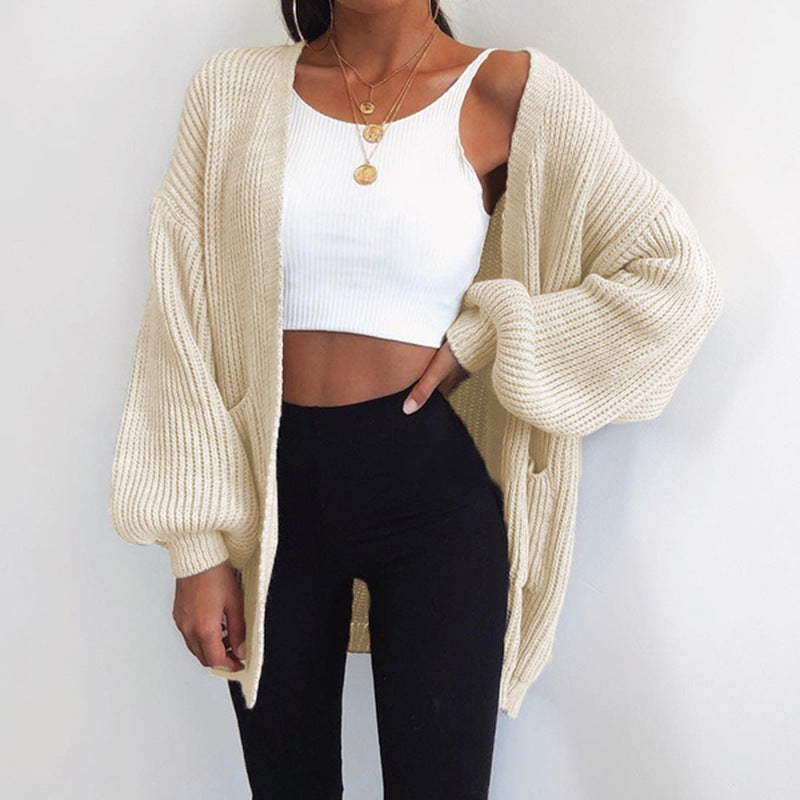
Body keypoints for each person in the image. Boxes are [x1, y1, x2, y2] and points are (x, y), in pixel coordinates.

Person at [108, 1, 723, 797]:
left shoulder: (509, 92)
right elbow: (178, 314)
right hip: (270, 508)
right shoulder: (233, 91)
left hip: (432, 504)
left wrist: (489, 336)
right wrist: (194, 547)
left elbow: (673, 277)